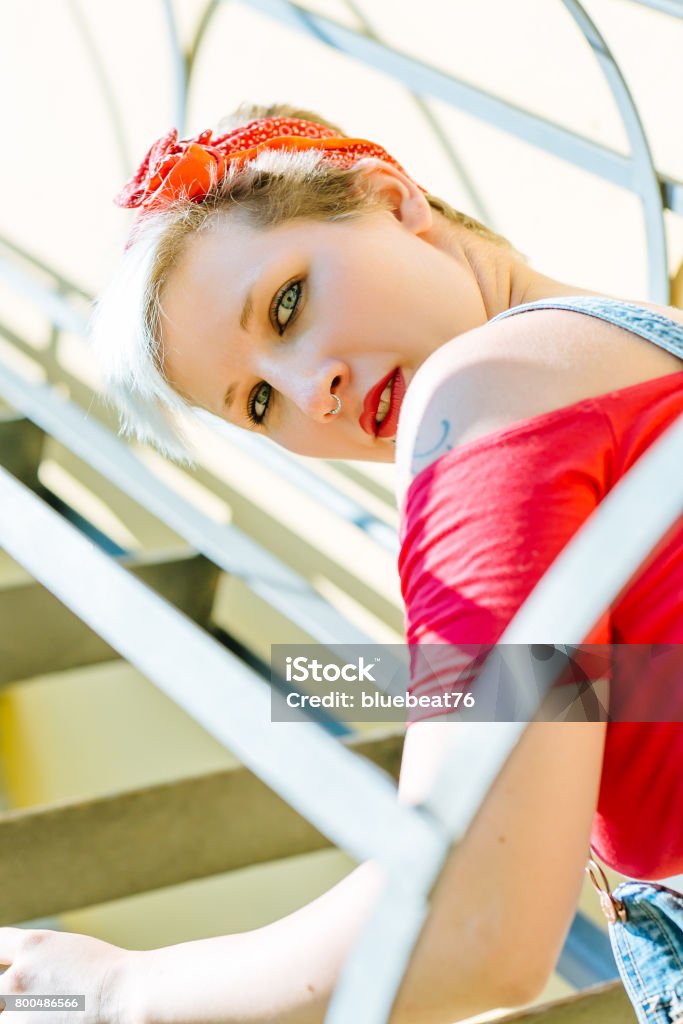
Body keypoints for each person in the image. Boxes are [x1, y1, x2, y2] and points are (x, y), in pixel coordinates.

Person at [1, 103, 682, 1024]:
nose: (307, 394)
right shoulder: (629, 350)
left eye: (286, 303)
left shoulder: (483, 395)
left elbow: (472, 920)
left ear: (392, 199)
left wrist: (123, 991)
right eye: (255, 404)